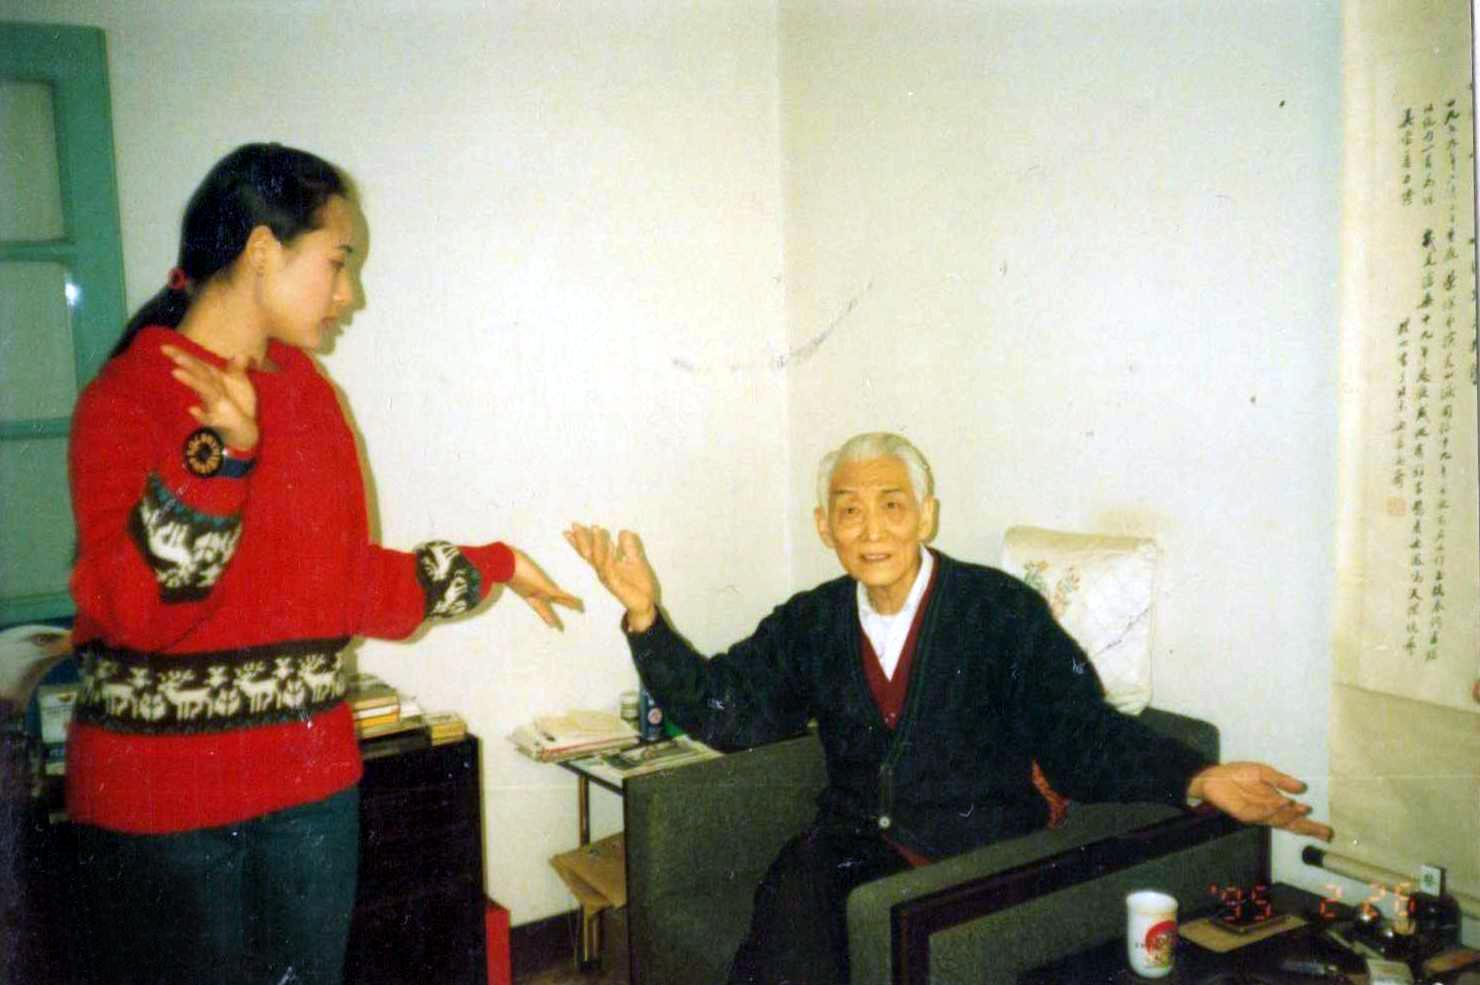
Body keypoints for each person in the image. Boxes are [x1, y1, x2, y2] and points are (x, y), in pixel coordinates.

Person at [66, 142, 581, 985]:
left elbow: (348, 586)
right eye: (338, 262)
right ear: (263, 249)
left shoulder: (307, 394)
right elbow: (140, 612)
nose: (350, 295)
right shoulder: (126, 397)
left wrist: (495, 565)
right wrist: (217, 460)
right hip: (161, 811)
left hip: (308, 794)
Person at [565, 431, 1332, 985]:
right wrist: (645, 618)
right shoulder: (812, 619)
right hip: (849, 847)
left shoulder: (997, 609)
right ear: (824, 527)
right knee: (783, 945)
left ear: (926, 514)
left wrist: (1196, 776)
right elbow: (732, 711)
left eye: (892, 505)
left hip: (973, 856)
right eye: (850, 511)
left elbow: (1078, 731)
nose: (872, 530)